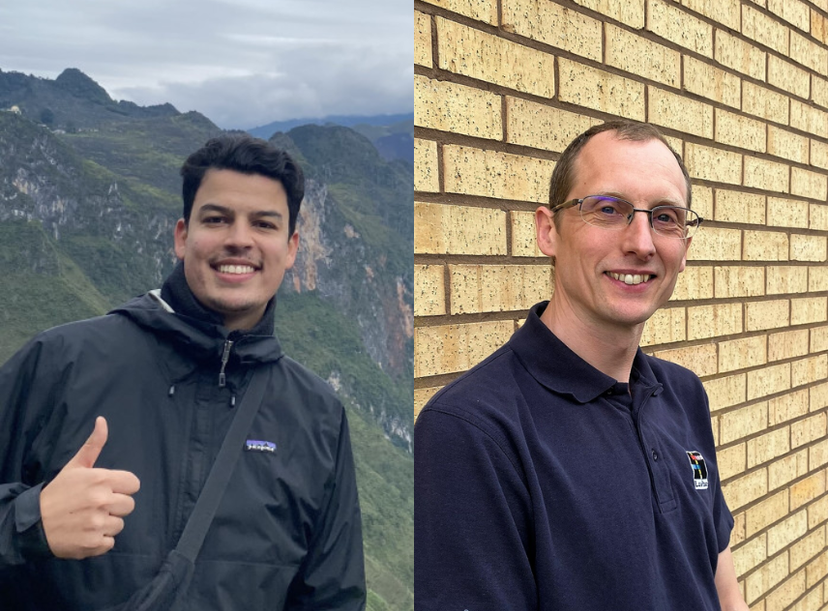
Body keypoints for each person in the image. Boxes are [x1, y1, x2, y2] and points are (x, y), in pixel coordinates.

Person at [0, 134, 366, 610]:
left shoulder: (316, 415)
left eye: (263, 223)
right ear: (182, 235)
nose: (239, 239)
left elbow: (333, 597)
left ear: (292, 247)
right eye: (217, 219)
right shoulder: (61, 363)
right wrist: (31, 522)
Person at [414, 121, 748, 611]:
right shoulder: (472, 432)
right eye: (608, 209)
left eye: (665, 217)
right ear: (549, 230)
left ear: (685, 250)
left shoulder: (684, 394)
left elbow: (720, 580)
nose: (642, 242)